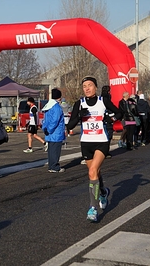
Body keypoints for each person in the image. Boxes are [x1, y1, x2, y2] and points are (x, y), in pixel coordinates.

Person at [66, 76, 122, 222]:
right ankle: (103, 192)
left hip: (101, 142)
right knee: (94, 173)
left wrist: (109, 119)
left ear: (95, 87)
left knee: (92, 172)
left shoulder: (103, 101)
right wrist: (79, 116)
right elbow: (70, 125)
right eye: (84, 86)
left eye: (90, 85)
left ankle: (93, 208)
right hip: (86, 143)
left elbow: (119, 113)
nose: (87, 88)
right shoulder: (80, 103)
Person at [42, 88, 66, 173]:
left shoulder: (48, 106)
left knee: (51, 150)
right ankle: (55, 167)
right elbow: (55, 120)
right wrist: (50, 129)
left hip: (49, 132)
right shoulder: (56, 107)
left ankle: (51, 166)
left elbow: (45, 119)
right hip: (56, 132)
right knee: (56, 150)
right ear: (59, 97)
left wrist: (45, 128)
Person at [101, 85, 116, 158]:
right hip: (108, 118)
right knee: (108, 135)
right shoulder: (107, 98)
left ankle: (102, 151)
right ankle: (105, 152)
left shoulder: (100, 98)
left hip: (102, 118)